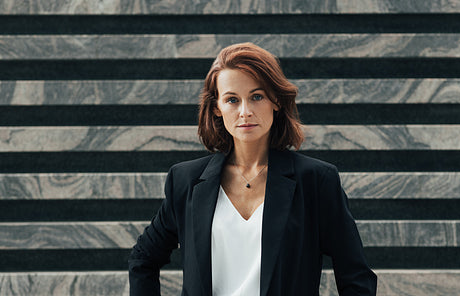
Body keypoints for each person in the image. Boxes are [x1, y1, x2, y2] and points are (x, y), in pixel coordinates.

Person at [128, 42, 377, 295]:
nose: (245, 112)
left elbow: (356, 276)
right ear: (217, 107)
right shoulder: (186, 181)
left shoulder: (316, 181)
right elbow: (143, 258)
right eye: (232, 100)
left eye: (256, 97)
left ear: (276, 100)